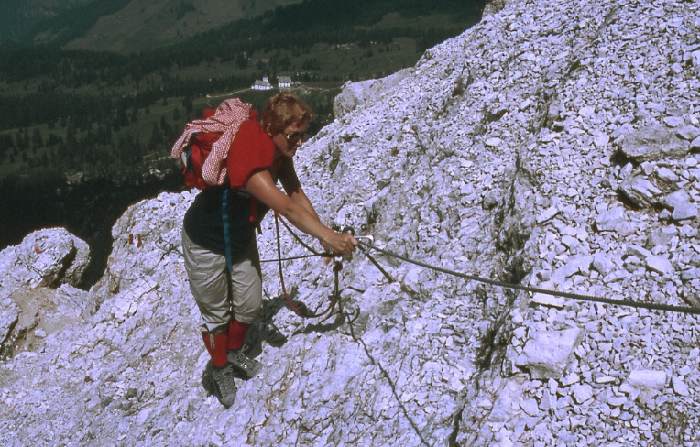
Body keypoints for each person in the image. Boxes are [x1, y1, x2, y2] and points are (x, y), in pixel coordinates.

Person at [180, 92, 357, 408]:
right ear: (273, 128)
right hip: (205, 242)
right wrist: (330, 239)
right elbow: (287, 209)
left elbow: (296, 194)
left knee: (248, 306)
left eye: (303, 135)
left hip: (238, 237)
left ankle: (233, 352)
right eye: (294, 135)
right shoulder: (251, 164)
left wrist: (325, 236)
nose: (299, 142)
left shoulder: (279, 154)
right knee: (217, 314)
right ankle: (219, 367)